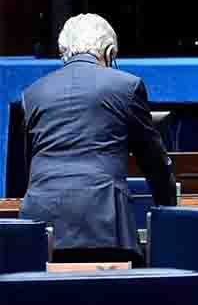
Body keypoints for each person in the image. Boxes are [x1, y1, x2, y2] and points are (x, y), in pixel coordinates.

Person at [19, 14, 177, 264]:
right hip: (106, 226)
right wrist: (169, 217)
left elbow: (26, 170)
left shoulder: (32, 94)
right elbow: (155, 163)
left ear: (64, 53)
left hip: (39, 225)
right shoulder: (126, 86)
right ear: (110, 51)